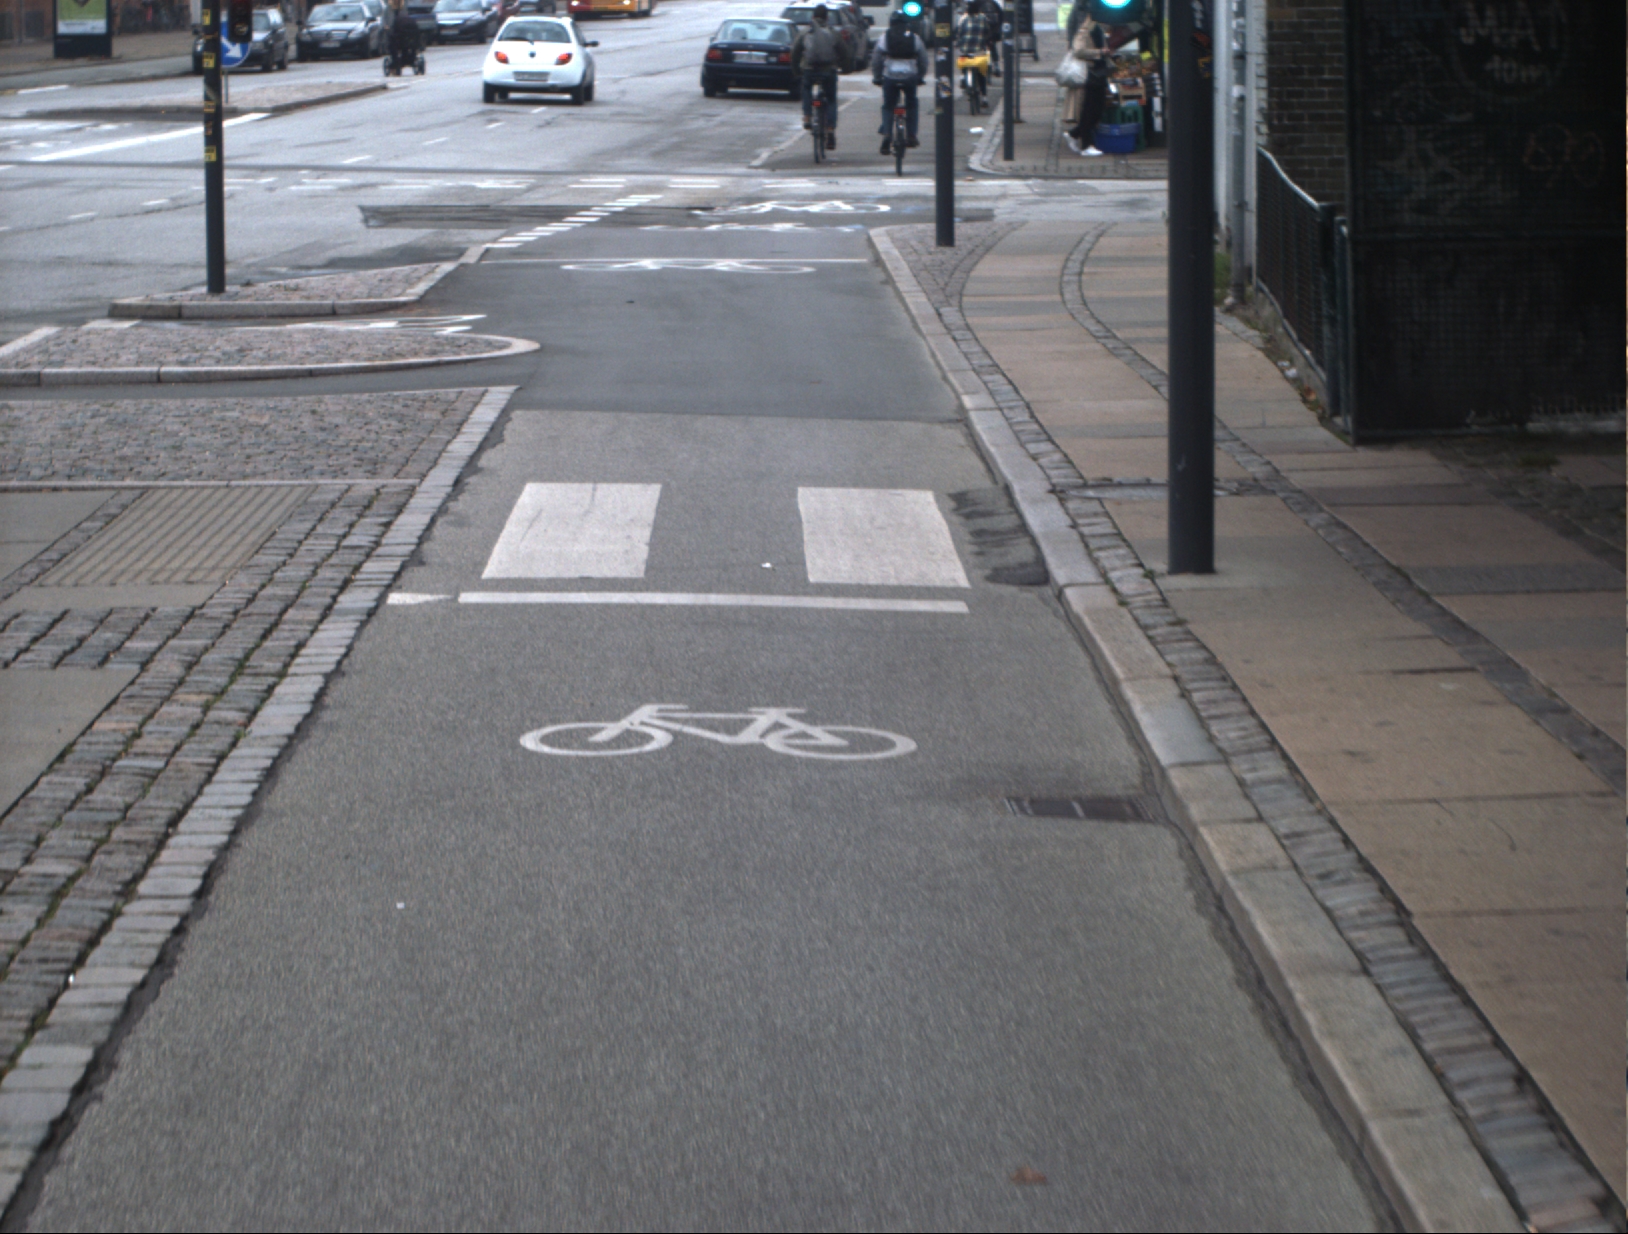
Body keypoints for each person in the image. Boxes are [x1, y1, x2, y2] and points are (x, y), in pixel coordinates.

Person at [871, 9, 928, 154]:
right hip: (910, 77)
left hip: (890, 77)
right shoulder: (914, 38)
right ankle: (911, 134)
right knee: (912, 104)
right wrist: (920, 76)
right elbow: (923, 59)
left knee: (888, 106)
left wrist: (877, 77)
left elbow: (876, 59)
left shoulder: (884, 37)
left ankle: (887, 134)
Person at [791, 5, 842, 149]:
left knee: (806, 88)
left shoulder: (806, 32)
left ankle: (807, 116)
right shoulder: (833, 32)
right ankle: (830, 129)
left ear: (813, 17)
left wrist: (796, 70)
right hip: (828, 70)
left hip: (809, 69)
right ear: (827, 18)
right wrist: (847, 67)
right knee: (831, 99)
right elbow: (844, 52)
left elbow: (795, 52)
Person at [1063, 13, 1109, 156]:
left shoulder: (1098, 28)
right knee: (1089, 110)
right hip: (1090, 75)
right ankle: (1086, 145)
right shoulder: (1086, 30)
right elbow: (1078, 51)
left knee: (1096, 110)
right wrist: (1099, 52)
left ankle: (1074, 134)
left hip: (1097, 74)